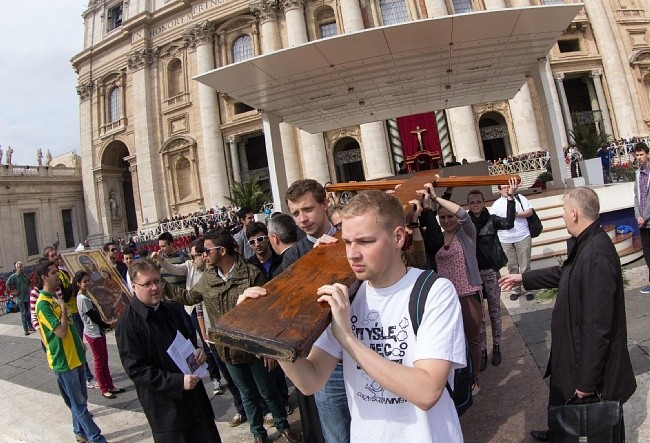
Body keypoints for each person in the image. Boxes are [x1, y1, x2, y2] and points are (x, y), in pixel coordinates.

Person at [240, 190, 466, 442]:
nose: (352, 253)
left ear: (398, 237)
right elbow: (311, 380)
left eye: (365, 242)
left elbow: (427, 392)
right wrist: (268, 330)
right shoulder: (348, 295)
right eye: (347, 242)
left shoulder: (435, 291)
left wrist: (348, 340)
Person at [500, 187, 636, 442]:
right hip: (572, 352)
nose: (562, 216)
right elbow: (566, 273)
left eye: (563, 211)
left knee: (603, 426)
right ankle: (558, 431)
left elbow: (598, 328)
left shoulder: (595, 254)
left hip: (597, 372)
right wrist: (524, 277)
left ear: (574, 213)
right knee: (563, 406)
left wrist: (586, 382)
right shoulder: (587, 242)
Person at [162, 229, 301, 443]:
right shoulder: (208, 278)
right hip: (227, 349)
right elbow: (189, 297)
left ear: (222, 250)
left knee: (268, 391)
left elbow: (267, 311)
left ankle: (283, 426)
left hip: (253, 347)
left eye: (207, 250)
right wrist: (162, 286)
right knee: (247, 395)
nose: (204, 255)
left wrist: (268, 348)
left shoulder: (251, 273)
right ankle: (258, 433)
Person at [116, 259, 222, 443]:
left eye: (157, 281)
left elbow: (188, 341)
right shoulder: (127, 324)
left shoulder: (172, 309)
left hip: (196, 402)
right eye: (147, 284)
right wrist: (177, 381)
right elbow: (136, 370)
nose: (155, 288)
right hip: (167, 412)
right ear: (133, 287)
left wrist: (198, 353)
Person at [274, 179, 345, 443]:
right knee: (337, 435)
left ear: (325, 204)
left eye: (308, 209)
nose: (302, 219)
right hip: (327, 361)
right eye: (295, 214)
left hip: (364, 351)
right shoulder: (294, 256)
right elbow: (284, 301)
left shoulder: (350, 237)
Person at [35, 260, 107, 443]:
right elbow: (60, 331)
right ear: (44, 277)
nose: (57, 276)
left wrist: (79, 343)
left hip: (76, 355)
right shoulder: (43, 304)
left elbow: (70, 327)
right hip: (63, 361)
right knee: (79, 404)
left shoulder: (54, 299)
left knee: (80, 400)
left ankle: (79, 432)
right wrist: (65, 312)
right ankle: (95, 437)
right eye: (52, 273)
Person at [154, 239, 227, 396]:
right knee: (200, 345)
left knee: (212, 347)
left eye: (194, 256)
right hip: (190, 310)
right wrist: (160, 262)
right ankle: (213, 377)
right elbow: (173, 269)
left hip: (206, 314)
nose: (191, 259)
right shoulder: (189, 265)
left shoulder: (212, 273)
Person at [430, 182, 483, 396]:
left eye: (448, 216)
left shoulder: (467, 232)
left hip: (468, 292)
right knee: (452, 340)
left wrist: (437, 199)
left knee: (473, 338)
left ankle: (474, 379)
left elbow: (462, 214)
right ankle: (457, 379)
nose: (447, 220)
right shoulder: (436, 237)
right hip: (446, 297)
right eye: (442, 217)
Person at [466, 178, 517, 371]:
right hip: (473, 274)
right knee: (480, 317)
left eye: (479, 201)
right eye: (472, 202)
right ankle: (483, 351)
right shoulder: (465, 222)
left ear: (484, 202)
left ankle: (496, 346)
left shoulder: (492, 219)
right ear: (468, 205)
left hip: (490, 272)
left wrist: (510, 200)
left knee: (495, 312)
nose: (476, 205)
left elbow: (509, 223)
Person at [44, 246, 97, 389]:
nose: (57, 256)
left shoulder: (63, 270)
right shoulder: (57, 277)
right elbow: (66, 296)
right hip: (70, 312)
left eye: (56, 254)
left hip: (75, 310)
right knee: (79, 345)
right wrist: (74, 281)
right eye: (53, 255)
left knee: (81, 343)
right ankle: (87, 376)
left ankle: (85, 374)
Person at [73, 271, 124, 399]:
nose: (87, 283)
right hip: (93, 333)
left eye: (88, 280)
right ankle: (103, 388)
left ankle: (110, 385)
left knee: (104, 360)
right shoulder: (82, 298)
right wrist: (108, 325)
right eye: (84, 281)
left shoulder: (86, 295)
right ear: (79, 283)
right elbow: (94, 317)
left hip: (98, 332)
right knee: (99, 362)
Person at [489, 184, 535, 301]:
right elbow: (493, 221)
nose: (506, 189)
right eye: (503, 188)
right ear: (499, 190)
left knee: (525, 265)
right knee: (512, 266)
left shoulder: (520, 198)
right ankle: (516, 289)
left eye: (508, 187)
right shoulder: (496, 204)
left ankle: (528, 288)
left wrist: (515, 215)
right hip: (505, 240)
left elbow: (530, 212)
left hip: (522, 236)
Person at [634, 142, 650, 294]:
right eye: (637, 155)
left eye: (641, 154)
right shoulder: (638, 174)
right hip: (642, 222)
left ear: (647, 154)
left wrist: (644, 216)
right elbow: (636, 196)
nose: (639, 158)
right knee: (647, 253)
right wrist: (637, 215)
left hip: (648, 219)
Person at [7, 261, 33, 335]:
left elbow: (29, 282)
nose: (21, 268)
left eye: (22, 266)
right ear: (16, 268)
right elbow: (7, 284)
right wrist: (13, 291)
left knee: (29, 313)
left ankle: (30, 326)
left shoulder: (25, 276)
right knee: (24, 314)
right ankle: (26, 329)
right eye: (19, 267)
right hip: (20, 298)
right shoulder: (13, 277)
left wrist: (28, 288)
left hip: (27, 297)